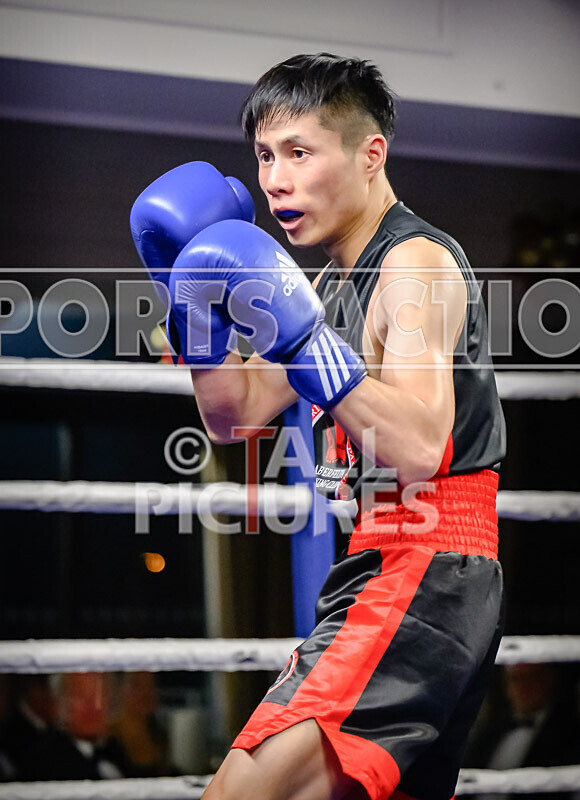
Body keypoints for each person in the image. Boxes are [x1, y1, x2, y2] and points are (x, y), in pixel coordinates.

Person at [131, 52, 506, 800]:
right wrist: (188, 306)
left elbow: (420, 444)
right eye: (266, 156)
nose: (275, 179)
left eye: (300, 153)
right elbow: (233, 416)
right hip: (379, 565)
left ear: (371, 155)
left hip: (425, 570)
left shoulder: (413, 265)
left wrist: (305, 343)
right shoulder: (331, 281)